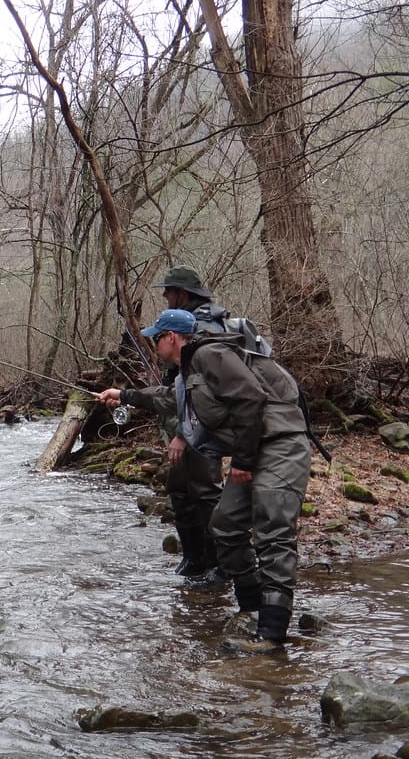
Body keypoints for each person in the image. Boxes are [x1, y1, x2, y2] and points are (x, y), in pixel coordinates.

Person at [139, 308, 312, 653]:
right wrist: (124, 395)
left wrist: (242, 461)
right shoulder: (189, 370)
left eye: (156, 338)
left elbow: (251, 398)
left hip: (281, 443)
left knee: (272, 532)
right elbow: (168, 399)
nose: (154, 344)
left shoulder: (209, 354)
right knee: (226, 526)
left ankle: (271, 636)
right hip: (258, 448)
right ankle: (250, 610)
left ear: (171, 338)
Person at [99, 266, 227, 582]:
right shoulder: (188, 325)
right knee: (180, 491)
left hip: (200, 430)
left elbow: (207, 394)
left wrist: (183, 434)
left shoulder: (204, 330)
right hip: (185, 424)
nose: (164, 296)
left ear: (182, 294)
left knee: (205, 494)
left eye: (168, 291)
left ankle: (219, 566)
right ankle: (194, 560)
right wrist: (129, 396)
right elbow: (176, 390)